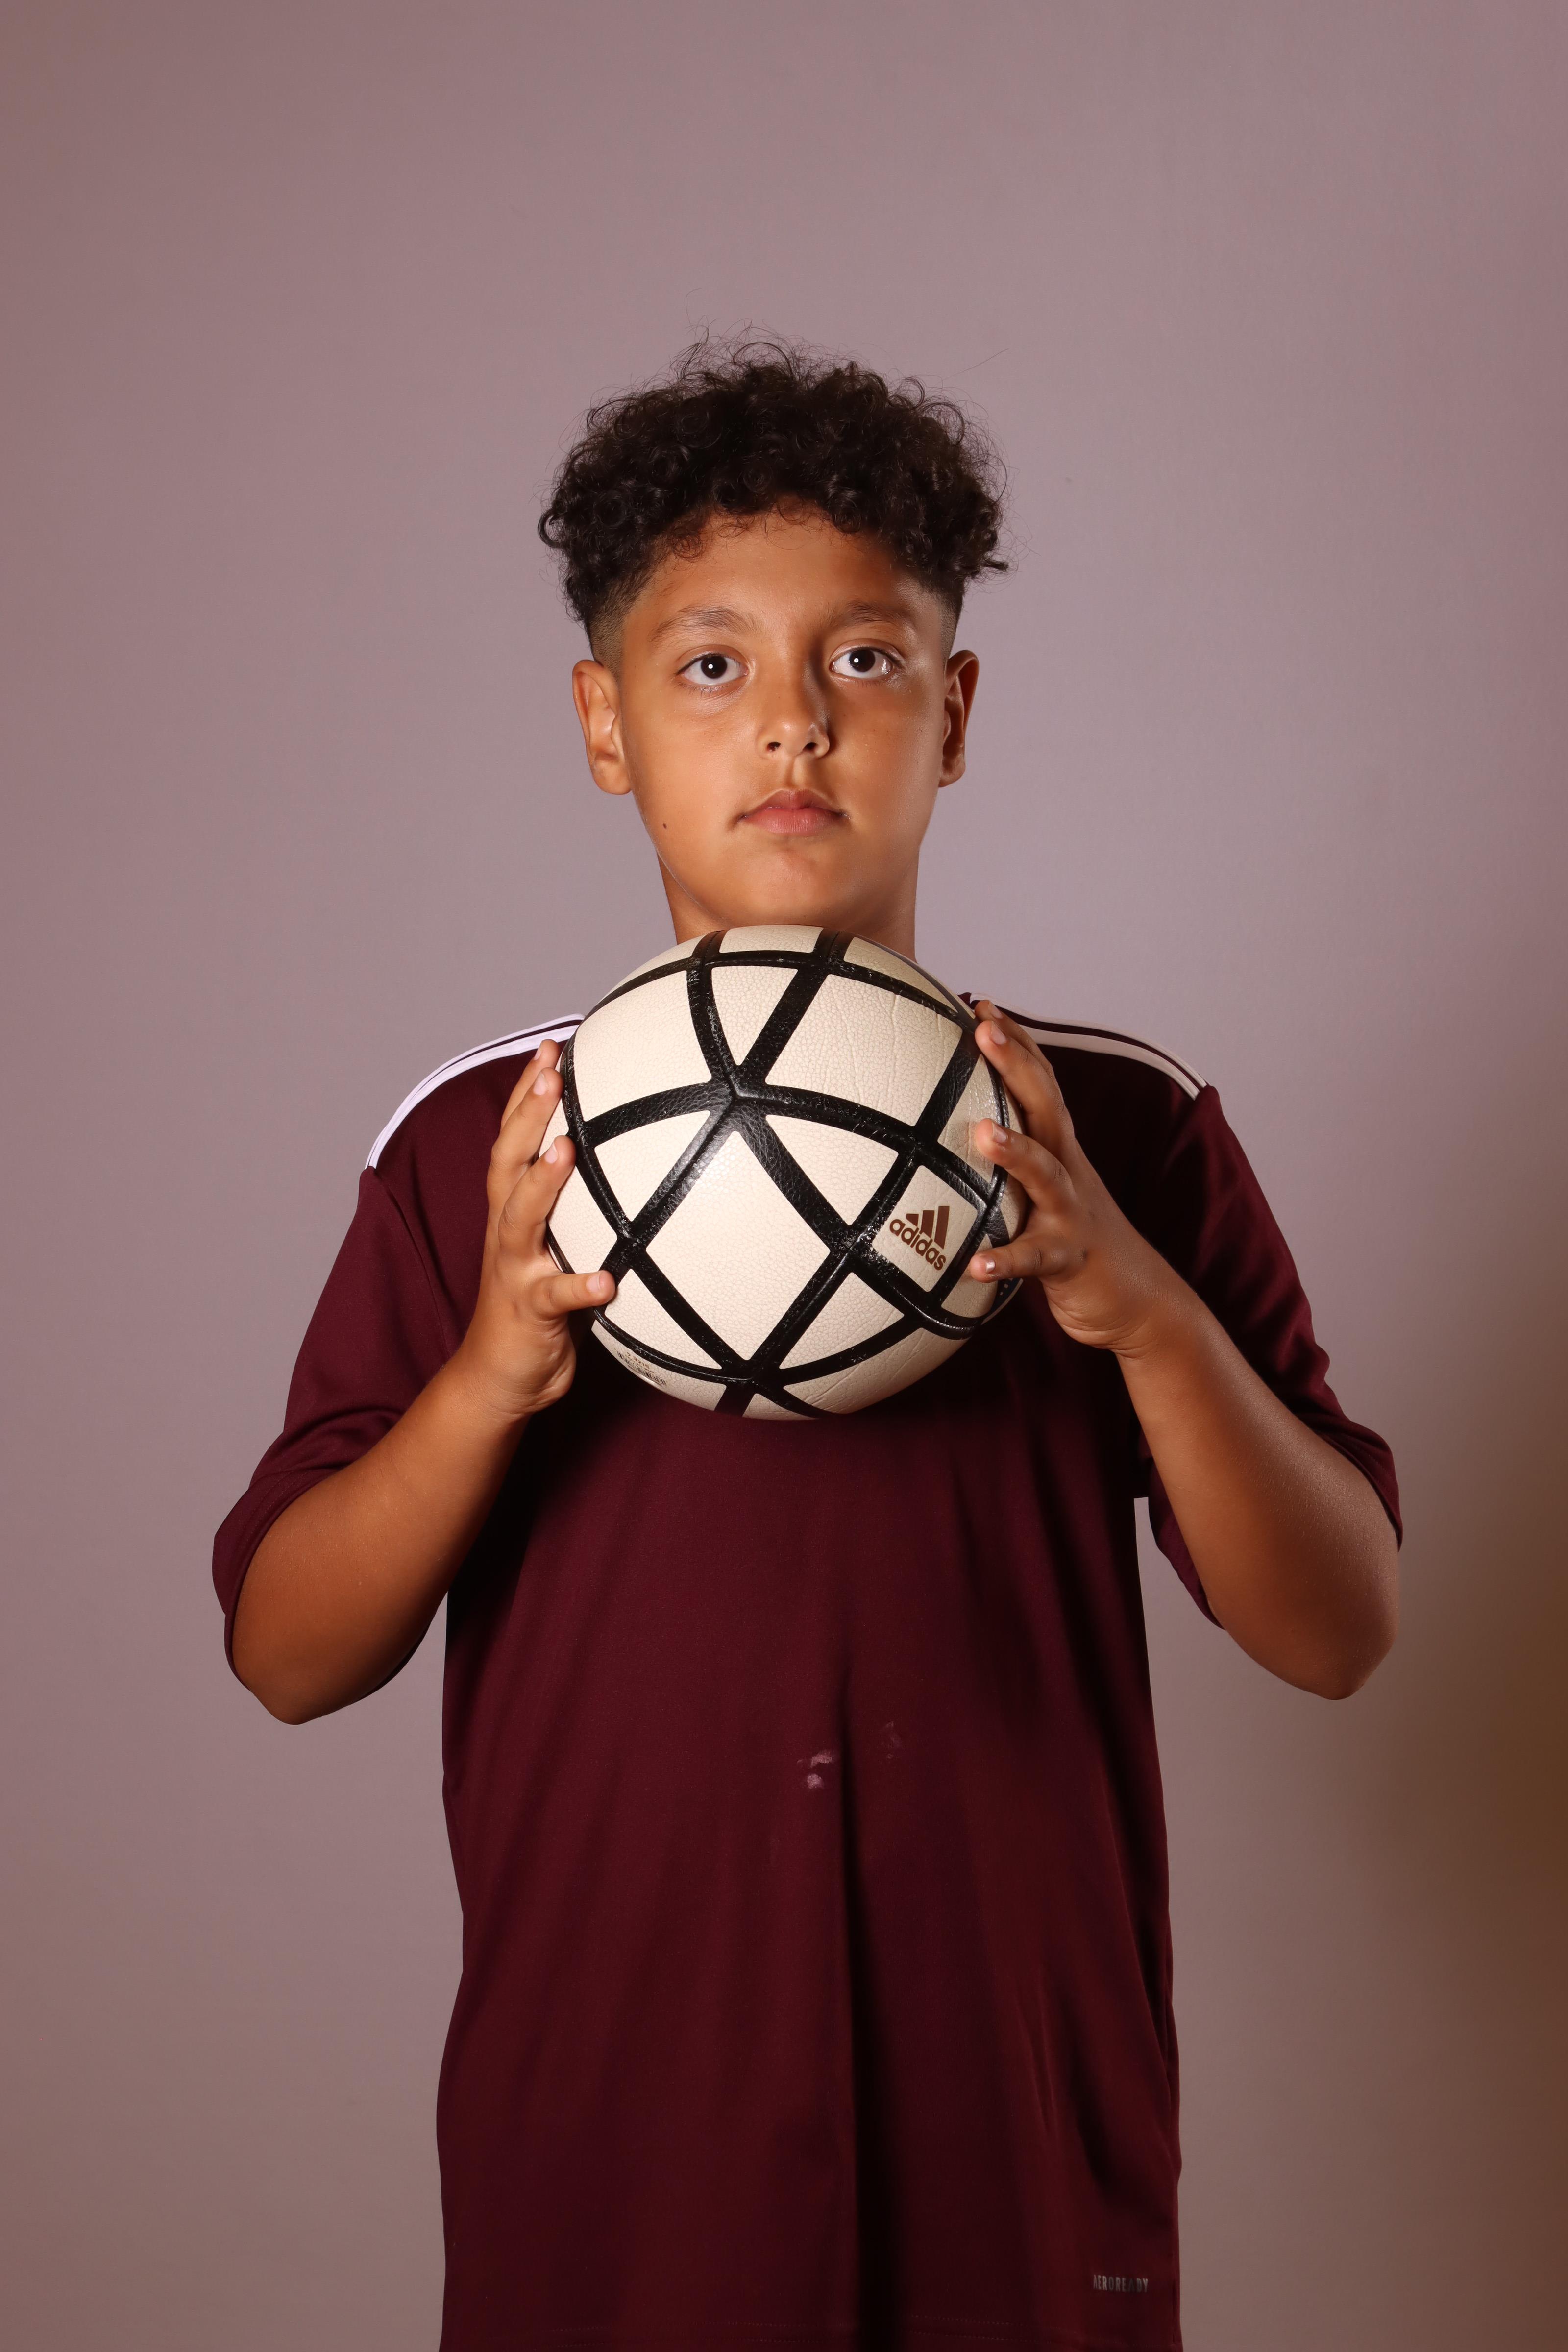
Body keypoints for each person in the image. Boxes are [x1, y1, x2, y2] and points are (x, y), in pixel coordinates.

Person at [214, 340, 1400, 2352]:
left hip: (1015, 2123)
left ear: (954, 712)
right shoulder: (486, 1147)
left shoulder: (1117, 1132)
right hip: (613, 2141)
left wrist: (1139, 1312)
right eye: (710, 666)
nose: (791, 721)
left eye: (861, 659)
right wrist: (491, 1375)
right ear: (603, 723)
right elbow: (286, 1652)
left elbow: (1340, 1626)